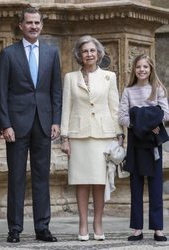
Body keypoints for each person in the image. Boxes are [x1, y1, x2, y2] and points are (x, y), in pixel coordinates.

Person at [0, 7, 62, 243]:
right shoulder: (8, 53)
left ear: (41, 26)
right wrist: (5, 124)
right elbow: (0, 93)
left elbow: (56, 90)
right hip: (16, 124)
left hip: (44, 123)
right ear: (21, 26)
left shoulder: (52, 53)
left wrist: (56, 120)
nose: (33, 26)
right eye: (29, 23)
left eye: (37, 23)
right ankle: (15, 228)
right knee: (16, 178)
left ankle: (42, 227)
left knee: (42, 176)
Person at [60, 35, 123, 241]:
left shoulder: (109, 77)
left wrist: (119, 136)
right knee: (81, 181)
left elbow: (115, 108)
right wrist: (65, 137)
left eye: (92, 51)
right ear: (79, 54)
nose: (89, 54)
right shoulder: (70, 78)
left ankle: (98, 223)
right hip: (79, 135)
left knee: (99, 182)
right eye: (85, 51)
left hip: (103, 135)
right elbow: (66, 108)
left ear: (98, 54)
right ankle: (82, 224)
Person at [119, 54, 169, 242]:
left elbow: (165, 113)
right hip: (136, 142)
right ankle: (137, 229)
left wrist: (144, 118)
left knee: (155, 185)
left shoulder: (157, 89)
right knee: (136, 185)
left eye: (145, 67)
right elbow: (122, 116)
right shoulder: (128, 91)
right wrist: (144, 120)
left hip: (153, 142)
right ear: (134, 69)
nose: (141, 70)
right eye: (138, 67)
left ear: (150, 69)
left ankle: (158, 228)